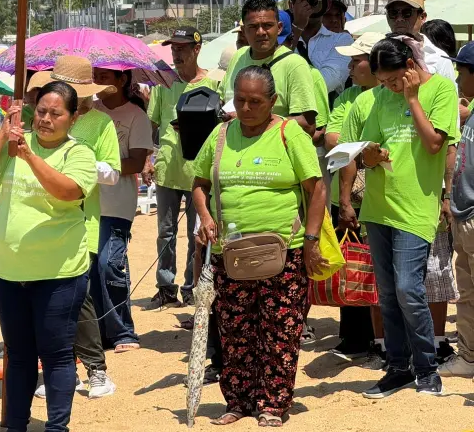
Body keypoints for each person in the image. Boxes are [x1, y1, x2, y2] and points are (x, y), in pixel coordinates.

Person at [192, 66, 327, 427]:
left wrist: (311, 242)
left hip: (285, 252)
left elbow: (316, 190)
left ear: (273, 101)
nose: (247, 108)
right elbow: (200, 183)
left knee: (280, 331)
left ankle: (273, 403)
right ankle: (238, 401)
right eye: (240, 100)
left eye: (255, 101)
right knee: (235, 332)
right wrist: (205, 216)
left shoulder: (290, 134)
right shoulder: (220, 135)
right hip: (231, 252)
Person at [0, 82, 97, 432]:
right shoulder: (13, 144)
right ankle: (15, 426)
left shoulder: (78, 154)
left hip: (59, 272)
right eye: (41, 111)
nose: (45, 119)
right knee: (19, 355)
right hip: (11, 271)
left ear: (72, 118)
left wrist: (29, 156)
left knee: (56, 354)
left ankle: (57, 427)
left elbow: (69, 191)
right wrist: (2, 134)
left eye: (56, 113)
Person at [357, 37, 458, 399]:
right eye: (383, 82)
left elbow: (435, 145)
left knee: (408, 289)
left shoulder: (442, 91)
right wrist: (370, 155)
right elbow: (367, 148)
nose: (389, 88)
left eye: (394, 81)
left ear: (411, 67)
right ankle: (397, 367)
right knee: (386, 294)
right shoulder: (381, 98)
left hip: (416, 207)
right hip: (379, 207)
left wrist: (413, 99)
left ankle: (427, 367)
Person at [27, 57, 121, 399]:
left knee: (78, 298)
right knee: (48, 300)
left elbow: (112, 172)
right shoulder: (40, 120)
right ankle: (59, 368)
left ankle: (96, 369)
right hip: (41, 220)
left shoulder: (100, 123)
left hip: (83, 220)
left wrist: (76, 159)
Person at [324, 32, 386, 361]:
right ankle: (353, 338)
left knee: (375, 270)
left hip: (378, 197)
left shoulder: (389, 97)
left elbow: (349, 143)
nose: (349, 66)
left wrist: (355, 145)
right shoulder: (347, 95)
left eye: (355, 60)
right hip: (344, 195)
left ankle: (379, 341)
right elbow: (334, 139)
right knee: (348, 264)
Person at [145, 26, 216, 309]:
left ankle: (190, 285)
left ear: (197, 49)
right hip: (167, 169)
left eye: (182, 48)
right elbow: (151, 124)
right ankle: (165, 286)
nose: (176, 53)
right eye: (173, 48)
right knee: (165, 231)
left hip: (198, 172)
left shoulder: (212, 85)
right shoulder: (163, 84)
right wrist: (149, 158)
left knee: (195, 233)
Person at [93, 67, 154, 352]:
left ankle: (122, 332)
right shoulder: (86, 112)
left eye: (106, 76)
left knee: (110, 264)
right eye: (96, 76)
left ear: (122, 80)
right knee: (90, 269)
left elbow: (137, 163)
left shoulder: (136, 116)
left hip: (117, 203)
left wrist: (102, 168)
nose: (100, 81)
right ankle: (98, 332)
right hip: (85, 205)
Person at [220, 0, 318, 136]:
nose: (260, 32)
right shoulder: (238, 57)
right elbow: (222, 99)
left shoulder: (295, 65)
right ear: (244, 30)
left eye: (267, 25)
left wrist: (252, 120)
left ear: (279, 28)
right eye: (253, 27)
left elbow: (307, 125)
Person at [441, 41, 474, 376]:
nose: (457, 77)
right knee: (466, 292)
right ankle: (468, 356)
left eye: (462, 71)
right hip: (464, 215)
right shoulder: (471, 111)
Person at [287, 0, 354, 94]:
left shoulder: (342, 41)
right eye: (299, 2)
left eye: (312, 2)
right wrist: (297, 28)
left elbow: (325, 83)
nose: (305, 7)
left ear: (326, 5)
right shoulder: (278, 41)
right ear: (291, 5)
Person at [384, 0, 456, 83]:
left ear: (422, 17)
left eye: (407, 13)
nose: (399, 19)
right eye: (393, 13)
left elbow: (450, 95)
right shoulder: (378, 52)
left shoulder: (439, 58)